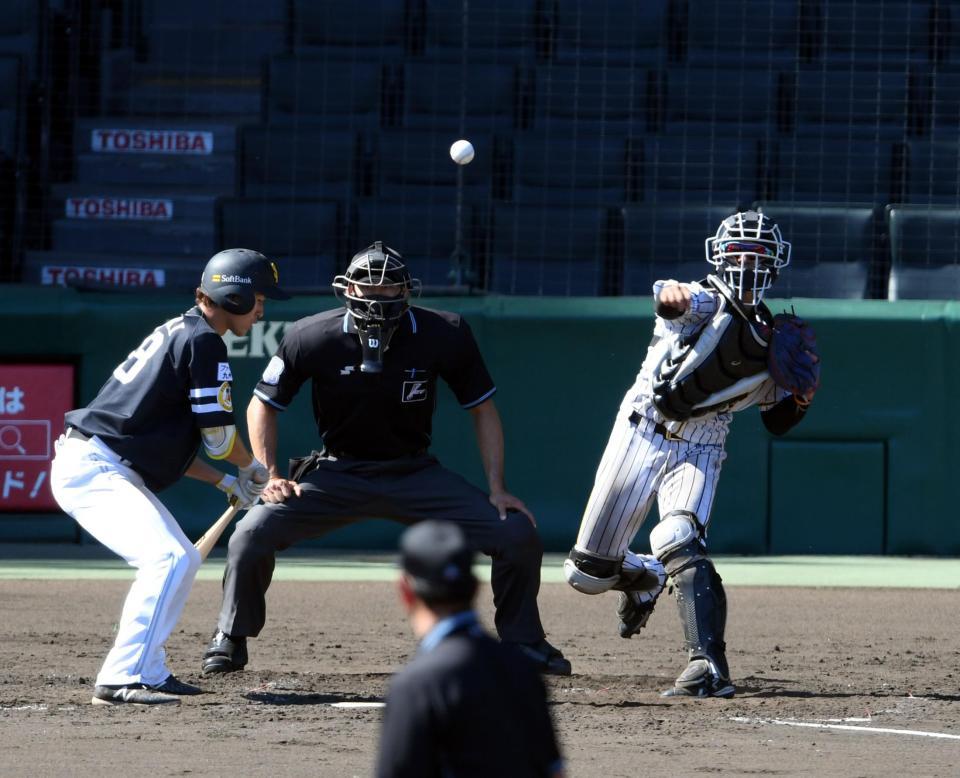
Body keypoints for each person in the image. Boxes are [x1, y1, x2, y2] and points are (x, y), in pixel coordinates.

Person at [200, 241, 570, 677]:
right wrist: (272, 474)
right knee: (252, 532)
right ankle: (230, 637)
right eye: (366, 288)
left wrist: (497, 488)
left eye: (388, 289)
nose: (376, 297)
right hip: (337, 472)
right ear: (346, 289)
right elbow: (262, 403)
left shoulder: (444, 332)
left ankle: (523, 641)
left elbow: (482, 409)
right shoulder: (311, 334)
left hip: (413, 472)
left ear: (406, 291)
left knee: (516, 533)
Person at [563, 211, 821, 698]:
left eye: (759, 255)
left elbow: (775, 420)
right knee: (585, 575)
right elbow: (671, 299)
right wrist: (672, 295)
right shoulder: (704, 299)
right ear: (719, 256)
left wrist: (802, 398)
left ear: (774, 264)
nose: (747, 262)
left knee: (677, 532)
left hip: (703, 443)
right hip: (642, 430)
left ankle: (708, 665)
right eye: (738, 253)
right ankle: (645, 578)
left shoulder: (775, 340)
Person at [50, 248, 290, 706]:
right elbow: (218, 438)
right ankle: (120, 677)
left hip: (105, 463)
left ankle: (150, 670)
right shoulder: (204, 341)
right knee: (165, 558)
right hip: (95, 469)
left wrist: (223, 483)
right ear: (234, 297)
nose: (262, 309)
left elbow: (161, 447)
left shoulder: (187, 332)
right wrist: (248, 467)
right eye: (259, 298)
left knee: (181, 556)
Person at [376, 520, 564, 778]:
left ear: (405, 591)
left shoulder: (415, 685)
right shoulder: (522, 668)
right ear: (475, 587)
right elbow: (553, 772)